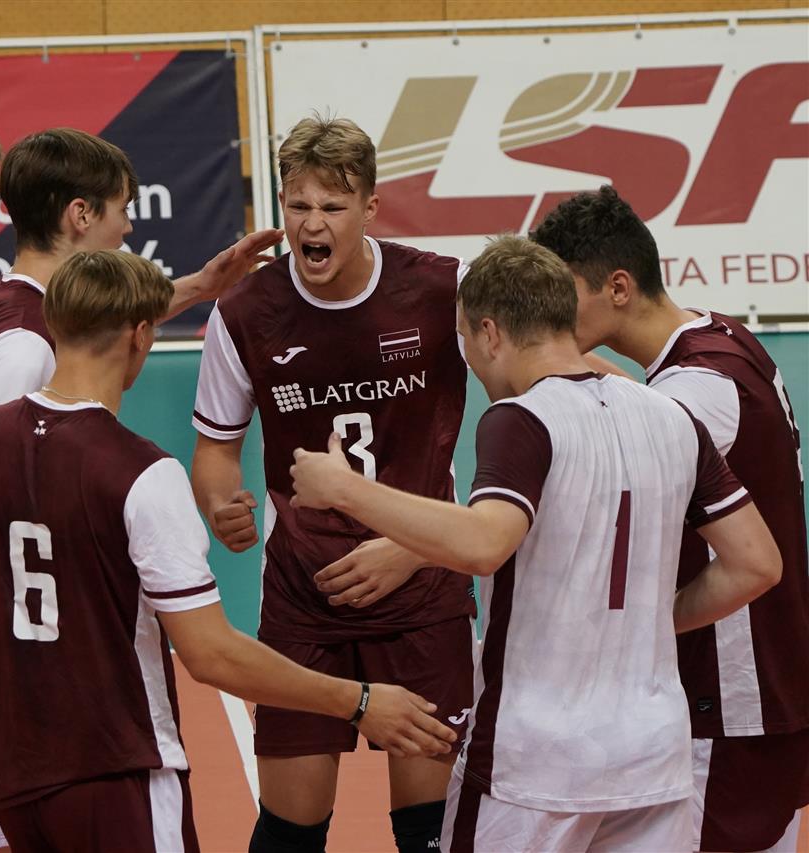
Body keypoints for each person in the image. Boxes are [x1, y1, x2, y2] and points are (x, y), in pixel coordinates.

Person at [0, 250, 458, 852]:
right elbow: (210, 655)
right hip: (120, 768)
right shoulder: (139, 473)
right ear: (141, 337)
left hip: (16, 774)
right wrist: (357, 702)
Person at [288, 233, 782, 852]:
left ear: (489, 332)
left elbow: (484, 544)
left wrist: (346, 489)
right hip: (653, 756)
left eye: (466, 340)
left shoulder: (522, 419)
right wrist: (651, 621)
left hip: (535, 763)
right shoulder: (671, 416)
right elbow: (756, 564)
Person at [0, 127, 282, 851]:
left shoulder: (12, 306)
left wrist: (199, 285)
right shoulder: (22, 351)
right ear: (79, 216)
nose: (128, 227)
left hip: (31, 678)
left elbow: (91, 326)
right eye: (121, 210)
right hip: (36, 681)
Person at [190, 114, 475, 853]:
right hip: (303, 597)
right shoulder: (245, 313)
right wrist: (220, 502)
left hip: (422, 592)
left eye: (332, 206)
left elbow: (536, 402)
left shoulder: (441, 288)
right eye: (297, 205)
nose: (311, 224)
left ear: (370, 208)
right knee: (290, 830)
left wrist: (419, 545)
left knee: (432, 834)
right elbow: (215, 449)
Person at [532, 185, 809, 853]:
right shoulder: (721, 338)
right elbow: (649, 404)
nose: (553, 315)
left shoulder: (697, 392)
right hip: (760, 688)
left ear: (618, 287)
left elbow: (610, 473)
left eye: (565, 294)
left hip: (731, 698)